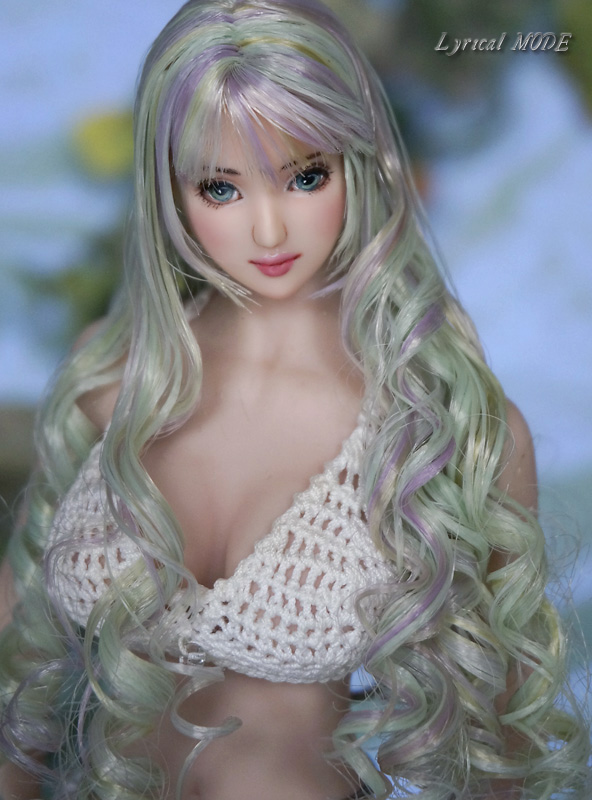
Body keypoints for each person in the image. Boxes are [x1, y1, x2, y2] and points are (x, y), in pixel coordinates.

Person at [0, 1, 589, 798]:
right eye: (221, 188)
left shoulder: (440, 433)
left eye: (306, 176)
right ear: (168, 193)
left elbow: (502, 754)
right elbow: (20, 666)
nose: (271, 231)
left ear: (362, 164)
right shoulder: (112, 373)